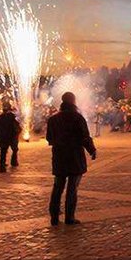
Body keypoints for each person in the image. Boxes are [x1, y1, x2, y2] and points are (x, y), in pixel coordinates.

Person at [45, 92, 96, 225]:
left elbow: (49, 139)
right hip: (74, 156)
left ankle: (54, 217)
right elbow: (85, 137)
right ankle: (69, 217)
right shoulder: (77, 118)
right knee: (72, 189)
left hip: (59, 157)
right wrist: (92, 150)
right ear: (73, 101)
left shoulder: (53, 119)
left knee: (57, 187)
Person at [0, 103, 22, 173]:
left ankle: (2, 166)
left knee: (3, 151)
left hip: (2, 137)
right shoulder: (13, 117)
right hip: (11, 136)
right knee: (14, 149)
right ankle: (14, 161)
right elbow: (17, 127)